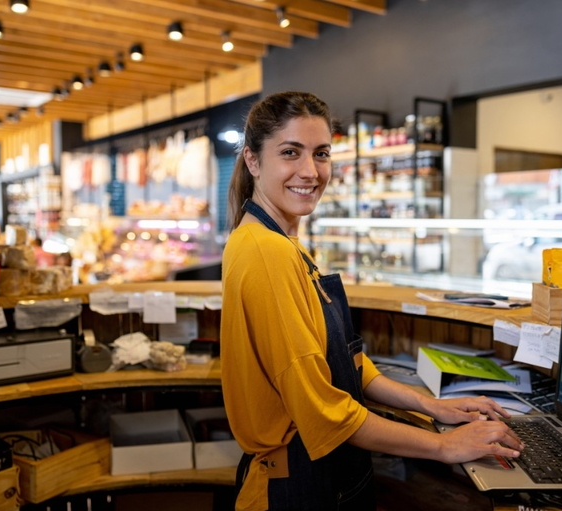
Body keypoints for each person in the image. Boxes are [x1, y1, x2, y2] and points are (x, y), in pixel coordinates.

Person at [220, 91, 524, 511]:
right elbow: (324, 411)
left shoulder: (280, 243)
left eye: (321, 154)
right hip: (298, 483)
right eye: (291, 152)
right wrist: (443, 446)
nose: (310, 171)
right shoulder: (264, 251)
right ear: (253, 161)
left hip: (320, 471)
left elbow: (344, 368)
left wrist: (430, 405)